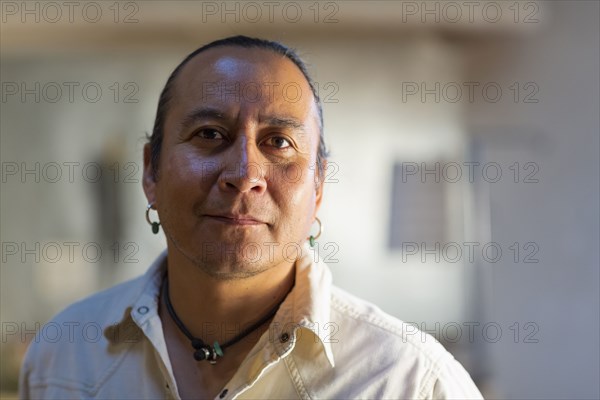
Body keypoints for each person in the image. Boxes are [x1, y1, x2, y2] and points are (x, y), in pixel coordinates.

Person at [19, 35, 483, 399]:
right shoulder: (65, 357)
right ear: (150, 171)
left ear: (317, 186)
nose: (244, 175)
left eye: (278, 142)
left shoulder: (410, 382)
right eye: (209, 133)